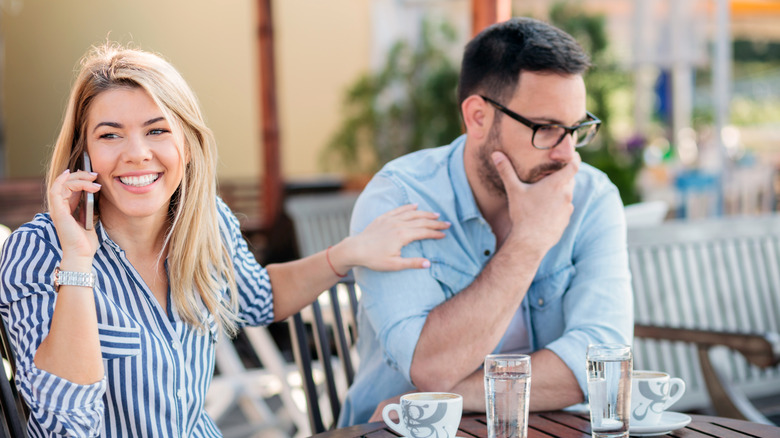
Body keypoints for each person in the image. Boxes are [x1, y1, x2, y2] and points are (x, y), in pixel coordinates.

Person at [0, 43, 450, 437]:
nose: (136, 152)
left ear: (188, 144)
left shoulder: (204, 223)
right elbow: (63, 428)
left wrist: (348, 253)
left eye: (157, 130)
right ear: (84, 153)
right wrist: (78, 260)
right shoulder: (41, 252)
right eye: (110, 135)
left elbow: (258, 297)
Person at [339, 17, 633, 426]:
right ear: (478, 117)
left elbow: (602, 363)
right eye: (546, 128)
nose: (568, 155)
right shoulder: (399, 199)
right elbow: (432, 368)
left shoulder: (591, 198)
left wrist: (450, 395)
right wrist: (529, 241)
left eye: (576, 128)